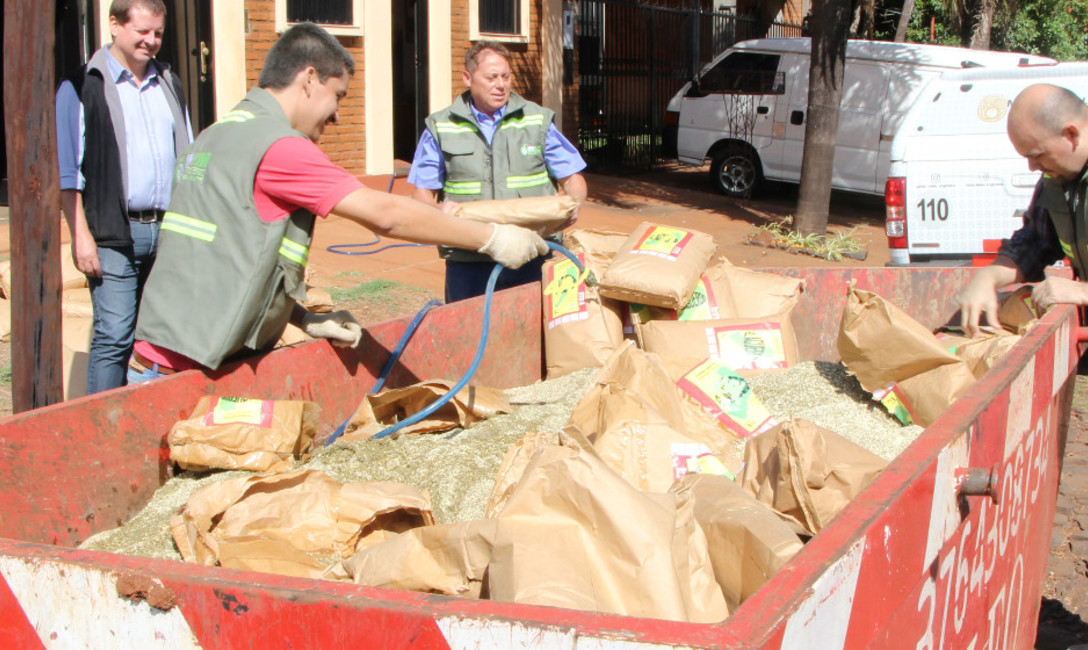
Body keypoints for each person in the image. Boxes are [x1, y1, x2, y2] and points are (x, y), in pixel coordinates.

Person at [127, 23, 547, 380]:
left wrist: (299, 316)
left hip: (159, 351)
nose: (338, 116)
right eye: (339, 96)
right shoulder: (279, 147)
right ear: (309, 79)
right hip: (186, 368)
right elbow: (385, 214)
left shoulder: (219, 133)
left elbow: (226, 256)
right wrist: (492, 238)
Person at [55, 0, 193, 394]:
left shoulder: (169, 82)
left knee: (155, 336)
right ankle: (102, 429)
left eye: (158, 34)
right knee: (114, 335)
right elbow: (68, 174)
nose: (151, 42)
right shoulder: (81, 85)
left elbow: (189, 155)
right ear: (114, 25)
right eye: (142, 32)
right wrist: (81, 236)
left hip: (166, 229)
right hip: (113, 232)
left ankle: (145, 421)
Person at [408, 41, 588, 303]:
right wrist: (440, 218)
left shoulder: (536, 120)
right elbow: (422, 196)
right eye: (491, 77)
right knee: (471, 332)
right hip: (468, 257)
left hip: (530, 253)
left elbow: (573, 178)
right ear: (468, 78)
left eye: (506, 76)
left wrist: (574, 205)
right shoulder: (441, 126)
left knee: (532, 336)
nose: (501, 85)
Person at [958, 83, 1088, 336]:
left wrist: (1083, 291)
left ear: (1071, 134)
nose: (1031, 167)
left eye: (1037, 155)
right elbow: (1037, 240)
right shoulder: (1056, 177)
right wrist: (990, 277)